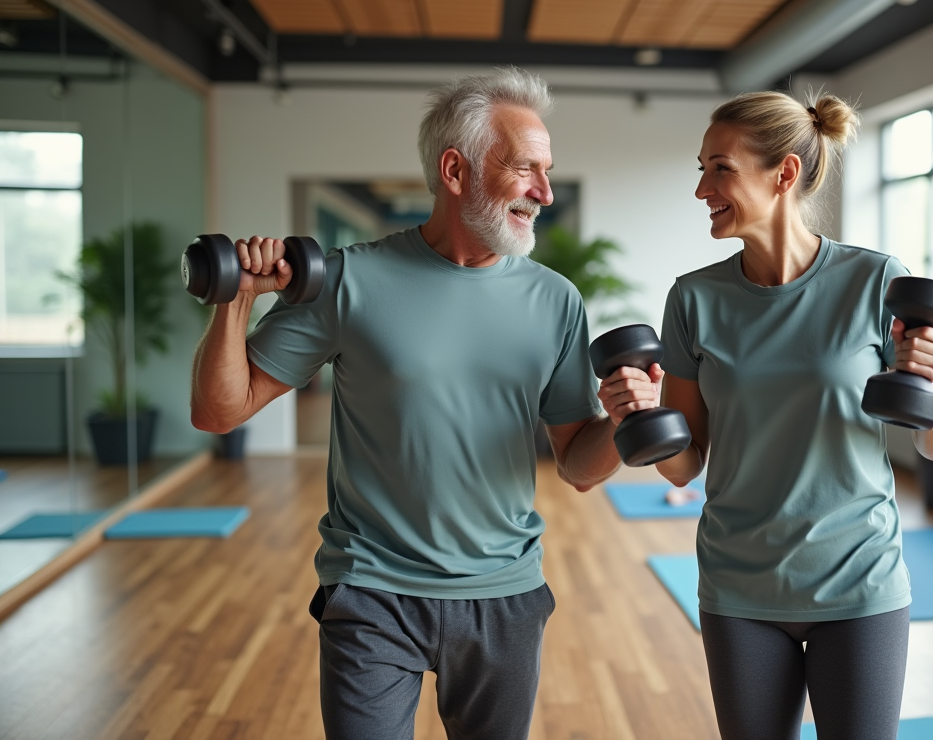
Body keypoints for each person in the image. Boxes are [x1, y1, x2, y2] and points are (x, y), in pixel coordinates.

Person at [191, 67, 648, 740]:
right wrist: (237, 301)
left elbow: (579, 467)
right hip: (372, 590)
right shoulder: (349, 280)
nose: (544, 193)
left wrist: (623, 417)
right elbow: (219, 413)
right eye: (525, 170)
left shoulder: (555, 300)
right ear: (455, 170)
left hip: (503, 596)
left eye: (546, 173)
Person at [599, 91, 933, 740]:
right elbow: (685, 465)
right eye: (700, 169)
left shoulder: (876, 282)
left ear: (784, 174)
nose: (701, 189)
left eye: (720, 168)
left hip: (858, 581)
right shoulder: (694, 300)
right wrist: (641, 415)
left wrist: (929, 375)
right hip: (740, 586)